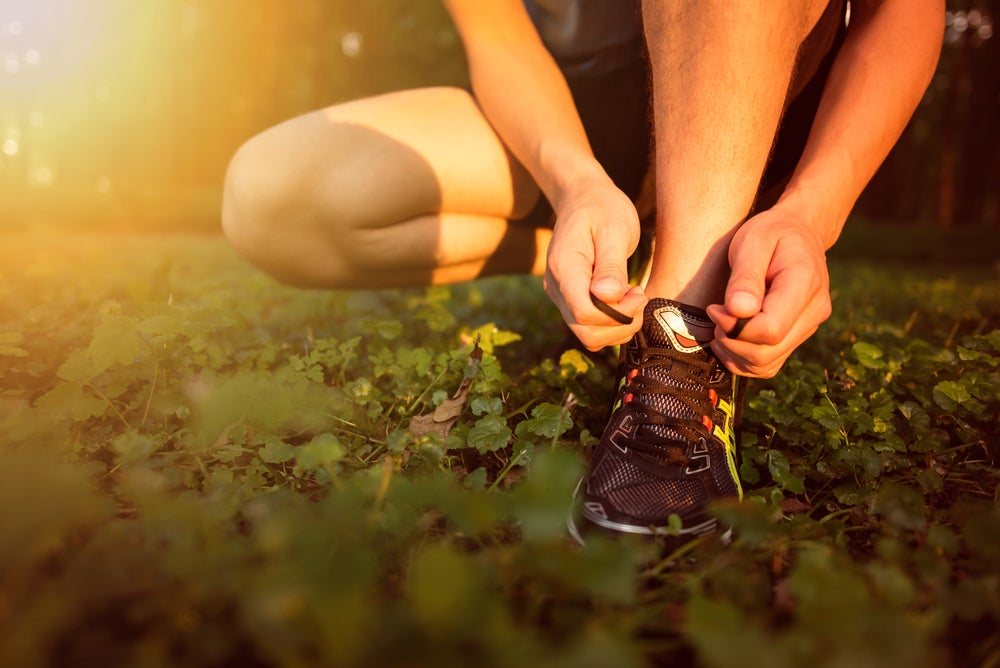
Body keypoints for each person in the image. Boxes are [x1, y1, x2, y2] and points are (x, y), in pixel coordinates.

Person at [221, 0, 944, 543]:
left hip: (757, 86)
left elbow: (905, 14)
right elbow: (499, 36)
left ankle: (683, 322)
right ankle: (615, 268)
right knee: (270, 197)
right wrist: (575, 185)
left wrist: (811, 213)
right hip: (572, 111)